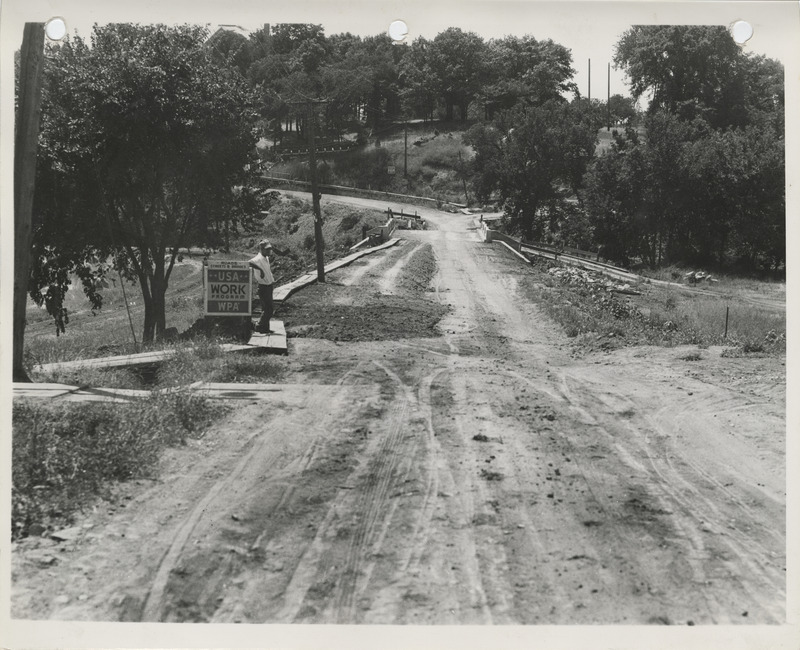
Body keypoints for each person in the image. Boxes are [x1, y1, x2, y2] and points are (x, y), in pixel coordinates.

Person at [248, 239, 293, 334]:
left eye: (270, 249)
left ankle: (265, 328)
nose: (269, 251)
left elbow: (276, 253)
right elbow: (249, 263)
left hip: (268, 286)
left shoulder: (266, 258)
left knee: (266, 309)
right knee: (269, 309)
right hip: (263, 287)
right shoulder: (258, 259)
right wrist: (260, 270)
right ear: (261, 250)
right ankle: (259, 326)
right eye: (267, 249)